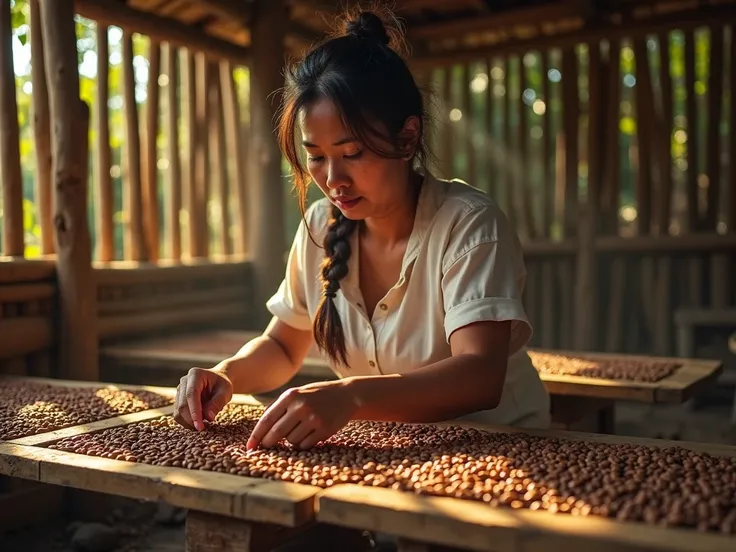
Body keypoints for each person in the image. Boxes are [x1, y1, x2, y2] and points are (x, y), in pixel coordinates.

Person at [173, 7, 551, 451]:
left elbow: (479, 376)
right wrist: (226, 375)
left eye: (351, 153)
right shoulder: (320, 225)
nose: (333, 179)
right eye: (315, 155)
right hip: (397, 450)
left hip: (506, 447)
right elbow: (282, 346)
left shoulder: (468, 225)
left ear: (407, 139)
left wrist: (352, 396)